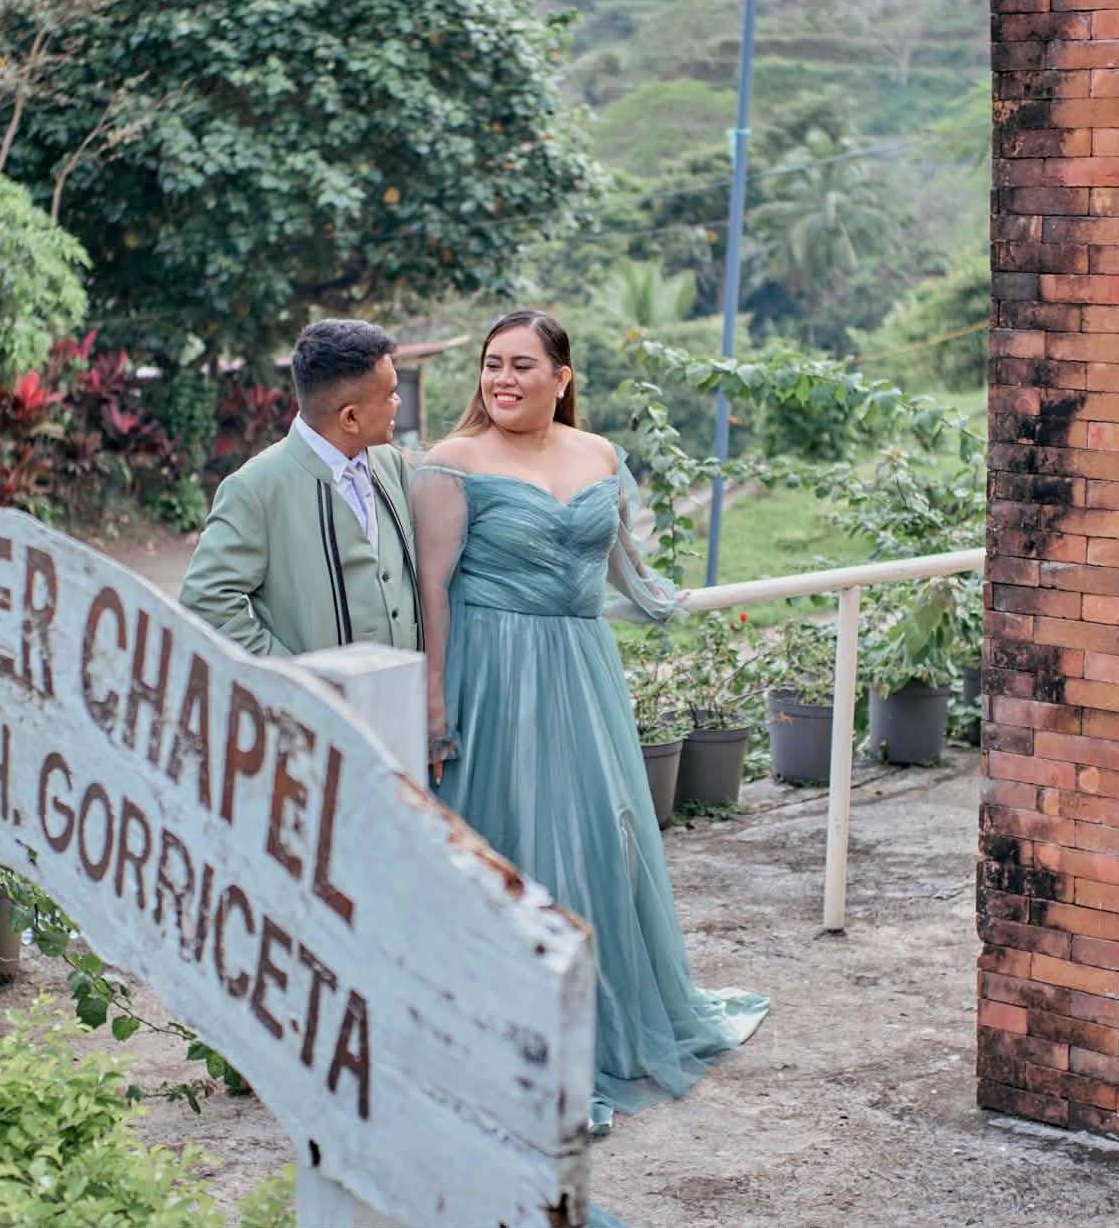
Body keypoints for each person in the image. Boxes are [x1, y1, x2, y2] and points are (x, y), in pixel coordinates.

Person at [411, 308, 767, 1136]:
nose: (502, 379)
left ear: (561, 377)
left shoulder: (599, 454)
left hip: (581, 666)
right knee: (515, 837)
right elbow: (433, 590)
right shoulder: (452, 461)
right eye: (492, 364)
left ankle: (604, 1021)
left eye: (521, 365)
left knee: (605, 834)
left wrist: (665, 601)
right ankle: (513, 1041)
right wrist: (434, 702)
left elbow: (620, 560)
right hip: (493, 671)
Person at [179, 319, 419, 657]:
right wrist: (287, 672)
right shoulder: (254, 489)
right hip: (312, 692)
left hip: (405, 685)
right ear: (350, 418)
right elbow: (204, 602)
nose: (398, 400)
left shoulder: (391, 464)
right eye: (389, 393)